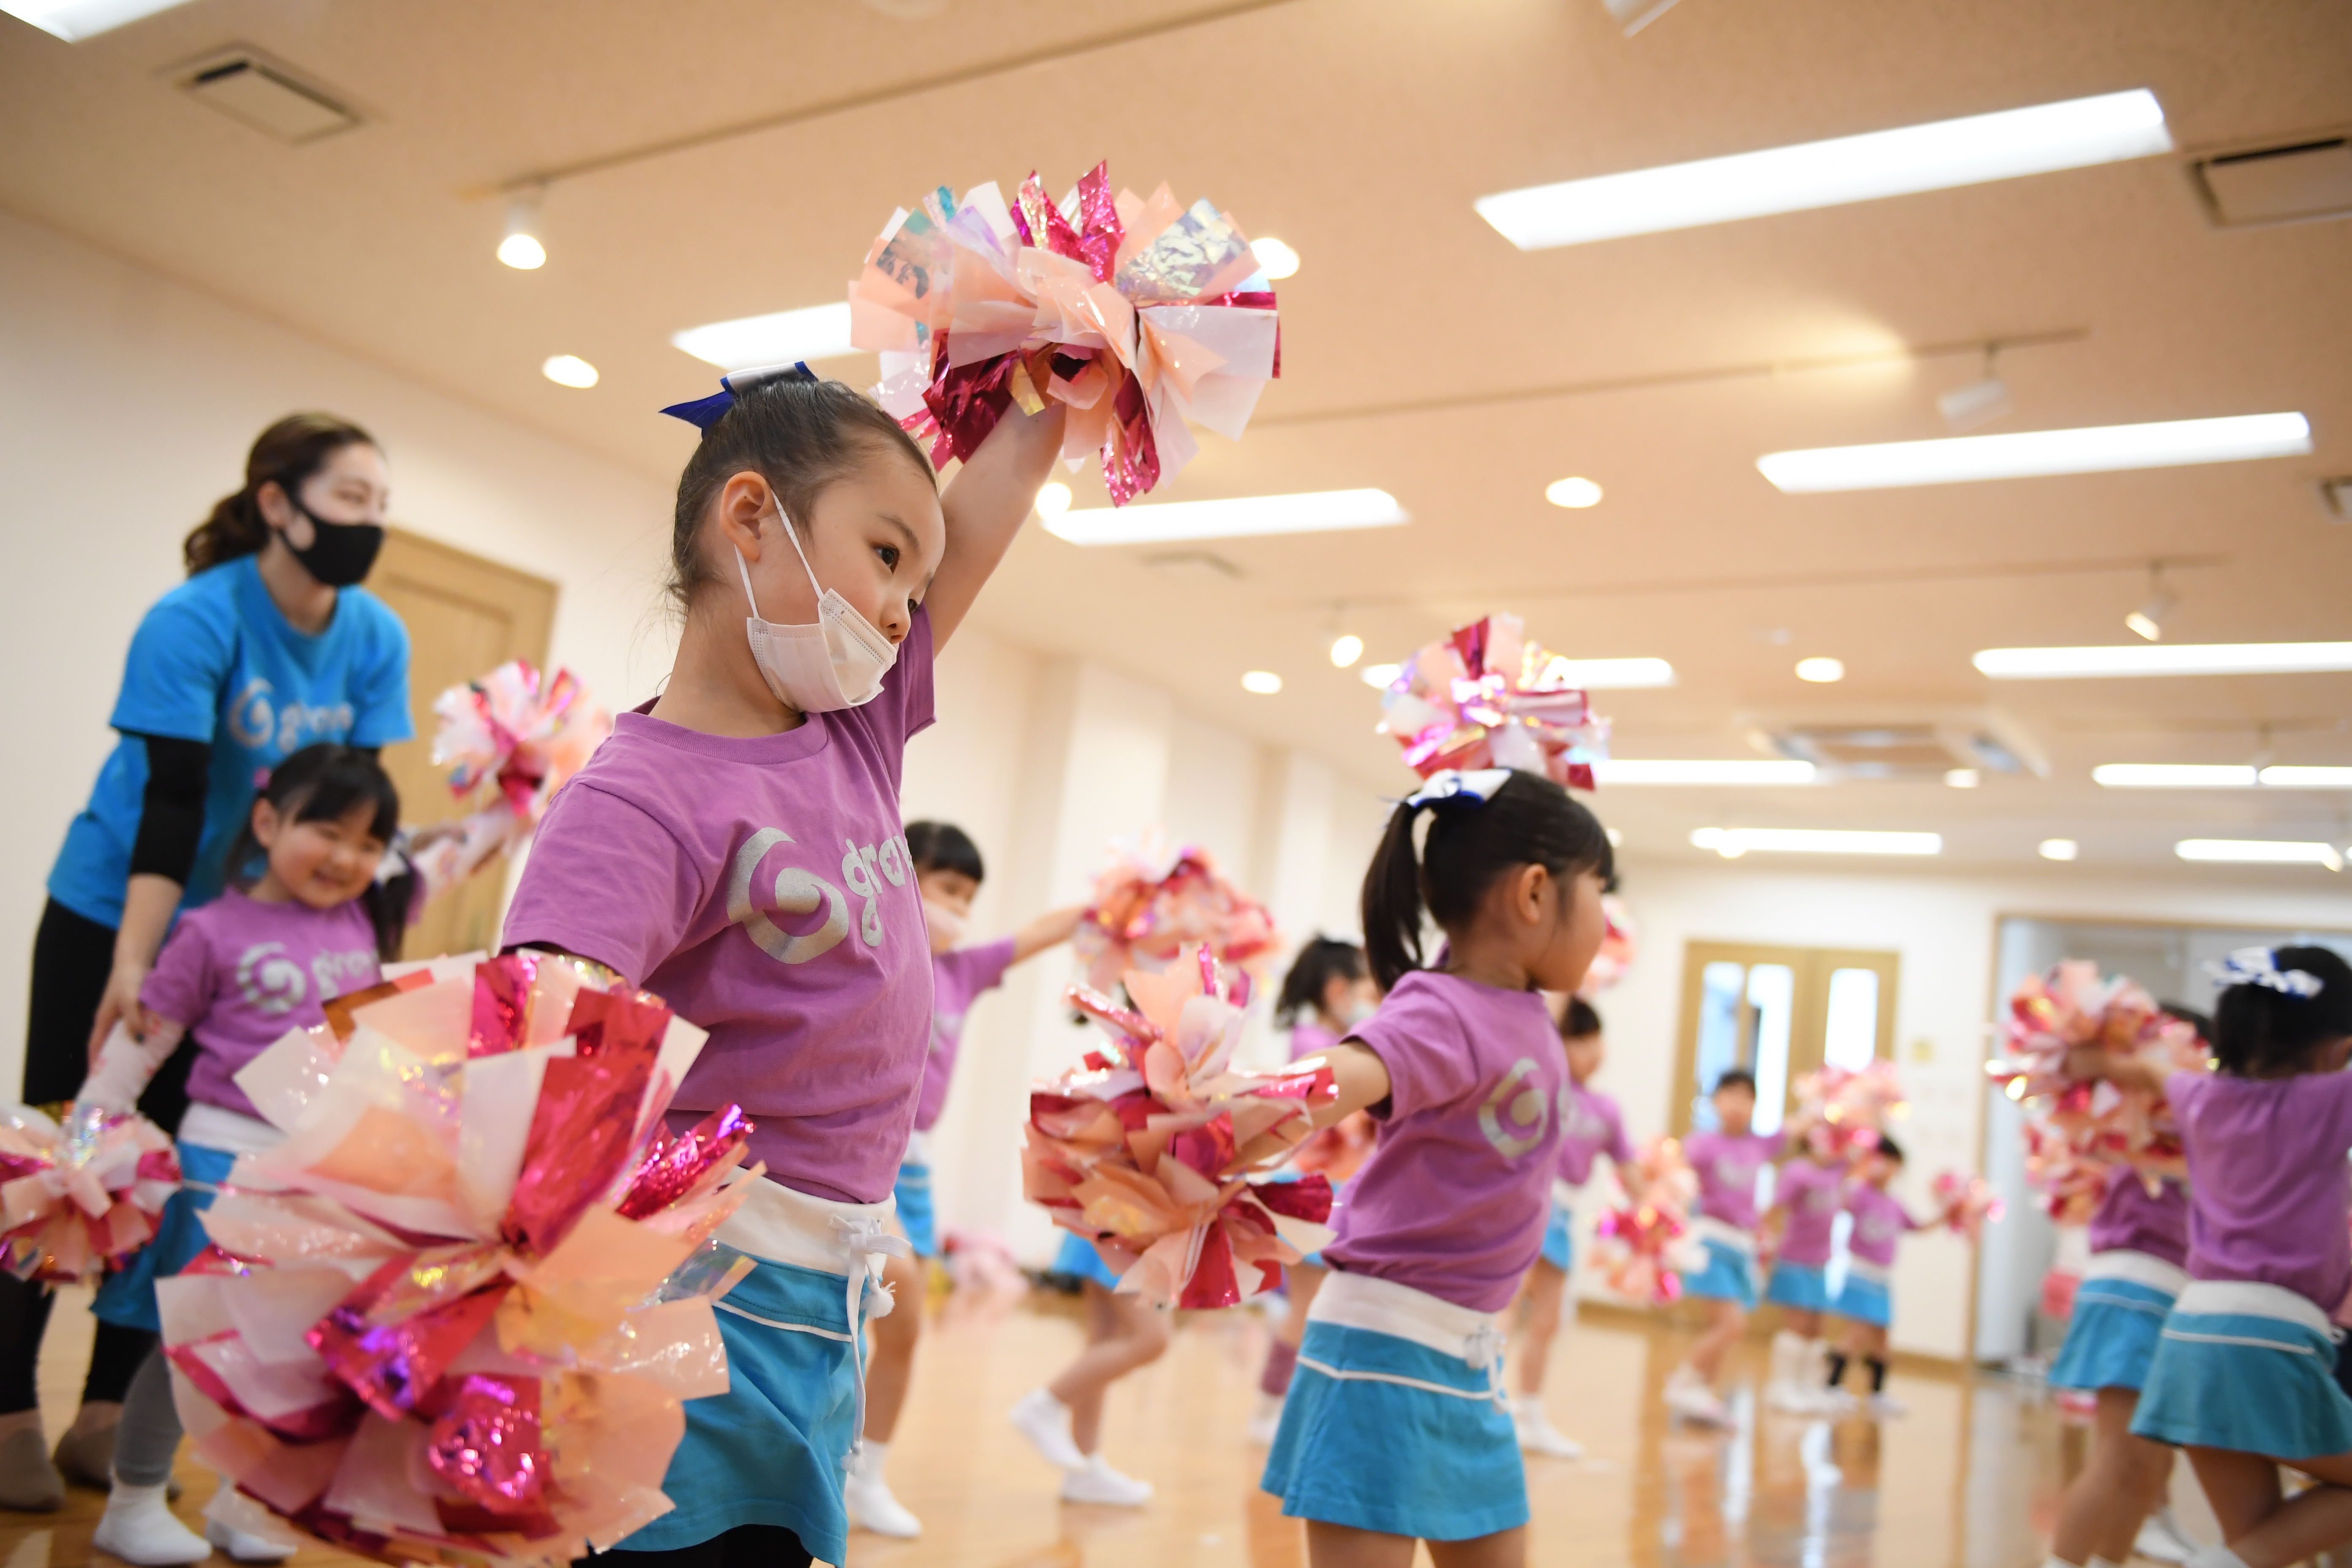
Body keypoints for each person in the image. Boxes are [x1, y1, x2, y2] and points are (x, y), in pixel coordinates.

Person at [498, 365, 1062, 1568]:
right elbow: (540, 1055)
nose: (911, 601)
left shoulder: (851, 733)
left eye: (916, 576)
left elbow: (981, 533)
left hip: (821, 1300)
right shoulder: (637, 802)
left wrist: (1063, 385)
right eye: (885, 554)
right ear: (750, 520)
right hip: (695, 1292)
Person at [4, 414, 413, 1512]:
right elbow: (174, 804)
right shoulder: (193, 618)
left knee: (185, 1180)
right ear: (279, 504)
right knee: (70, 1158)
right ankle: (6, 1407)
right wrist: (131, 967)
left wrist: (353, 962)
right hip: (119, 908)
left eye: (383, 504)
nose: (370, 523)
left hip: (254, 927)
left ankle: (105, 1416)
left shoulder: (375, 636)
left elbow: (352, 806)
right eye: (350, 499)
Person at [1260, 766, 1614, 1568]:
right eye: (1596, 890)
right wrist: (1219, 1110)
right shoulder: (1440, 1008)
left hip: (1467, 1356)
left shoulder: (1520, 1006)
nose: (1604, 920)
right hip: (1382, 1352)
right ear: (1533, 894)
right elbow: (1340, 1077)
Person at [70, 745, 416, 1565]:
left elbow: (455, 849)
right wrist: (83, 1141)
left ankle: (243, 1498)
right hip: (219, 1161)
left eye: (368, 844)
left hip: (319, 1169)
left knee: (288, 1346)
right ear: (268, 821)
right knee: (190, 1345)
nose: (344, 858)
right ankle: (134, 1497)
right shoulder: (209, 928)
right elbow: (142, 1044)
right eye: (326, 831)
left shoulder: (360, 922)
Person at [846, 820, 1083, 1538]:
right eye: (947, 888)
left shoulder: (961, 969)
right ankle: (828, 1456)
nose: (960, 908)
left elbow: (1042, 931)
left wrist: (1125, 902)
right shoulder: (871, 947)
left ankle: (867, 1470)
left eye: (970, 896)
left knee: (905, 1329)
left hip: (915, 1170)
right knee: (874, 1312)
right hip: (860, 1155)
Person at [2085, 946, 2352, 1568]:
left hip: (2190, 1337)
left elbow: (2145, 1075)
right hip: (2272, 1338)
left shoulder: (2200, 1099)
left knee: (2262, 1541)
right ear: (2334, 1050)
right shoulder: (2328, 1101)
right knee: (2256, 1549)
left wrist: (2088, 1060)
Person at [2043, 1004, 2212, 1568]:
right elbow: (2077, 1061)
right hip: (2130, 1287)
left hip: (2168, 1294)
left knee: (2150, 1464)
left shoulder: (2205, 1116)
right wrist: (2139, 1058)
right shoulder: (2135, 1107)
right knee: (2119, 1457)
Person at [1248, 936, 1377, 1445]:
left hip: (1327, 1189)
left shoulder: (1324, 1040)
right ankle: (1270, 1407)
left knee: (1314, 1308)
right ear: (1339, 989)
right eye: (1368, 987)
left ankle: (1279, 1404)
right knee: (1308, 1308)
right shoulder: (1313, 1043)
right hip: (1309, 1189)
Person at [1511, 996, 1636, 1458]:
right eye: (1581, 1040)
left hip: (1562, 1218)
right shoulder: (1541, 1086)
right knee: (1504, 1306)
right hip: (1523, 1205)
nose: (1594, 1051)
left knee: (1547, 1318)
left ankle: (1531, 1411)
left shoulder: (1607, 1108)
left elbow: (1631, 1167)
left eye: (1596, 1040)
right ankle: (1487, 1402)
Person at [1009, 1236, 1174, 1507]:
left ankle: (1085, 1468)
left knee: (1106, 1337)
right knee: (1153, 1339)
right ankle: (1046, 1404)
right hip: (1131, 1224)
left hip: (1111, 1218)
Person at [1664, 1069, 1783, 1427]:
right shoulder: (1701, 1144)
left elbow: (1799, 1128)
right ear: (1715, 1102)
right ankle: (1683, 1381)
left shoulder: (1759, 1145)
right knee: (1731, 1326)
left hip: (1740, 1247)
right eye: (1730, 1095)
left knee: (1727, 1325)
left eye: (1747, 1097)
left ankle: (1702, 1391)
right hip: (1710, 1244)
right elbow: (1673, 1174)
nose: (1737, 1105)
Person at [1820, 1135, 1938, 1417]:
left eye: (1892, 1163)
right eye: (1879, 1161)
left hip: (1882, 1279)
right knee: (1856, 1332)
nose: (1885, 1168)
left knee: (1881, 1338)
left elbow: (1918, 1227)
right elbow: (1839, 1198)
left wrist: (1950, 1213)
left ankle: (1877, 1393)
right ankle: (1832, 1384)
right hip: (1860, 1273)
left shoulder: (1894, 1204)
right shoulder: (1860, 1194)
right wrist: (1850, 1167)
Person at [1759, 1133, 1847, 1415]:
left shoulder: (1836, 1172)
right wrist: (1762, 1244)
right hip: (1793, 1259)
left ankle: (1809, 1385)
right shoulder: (1797, 1171)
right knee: (1795, 1325)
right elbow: (1777, 1209)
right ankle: (1782, 1386)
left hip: (1820, 1263)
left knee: (1816, 1327)